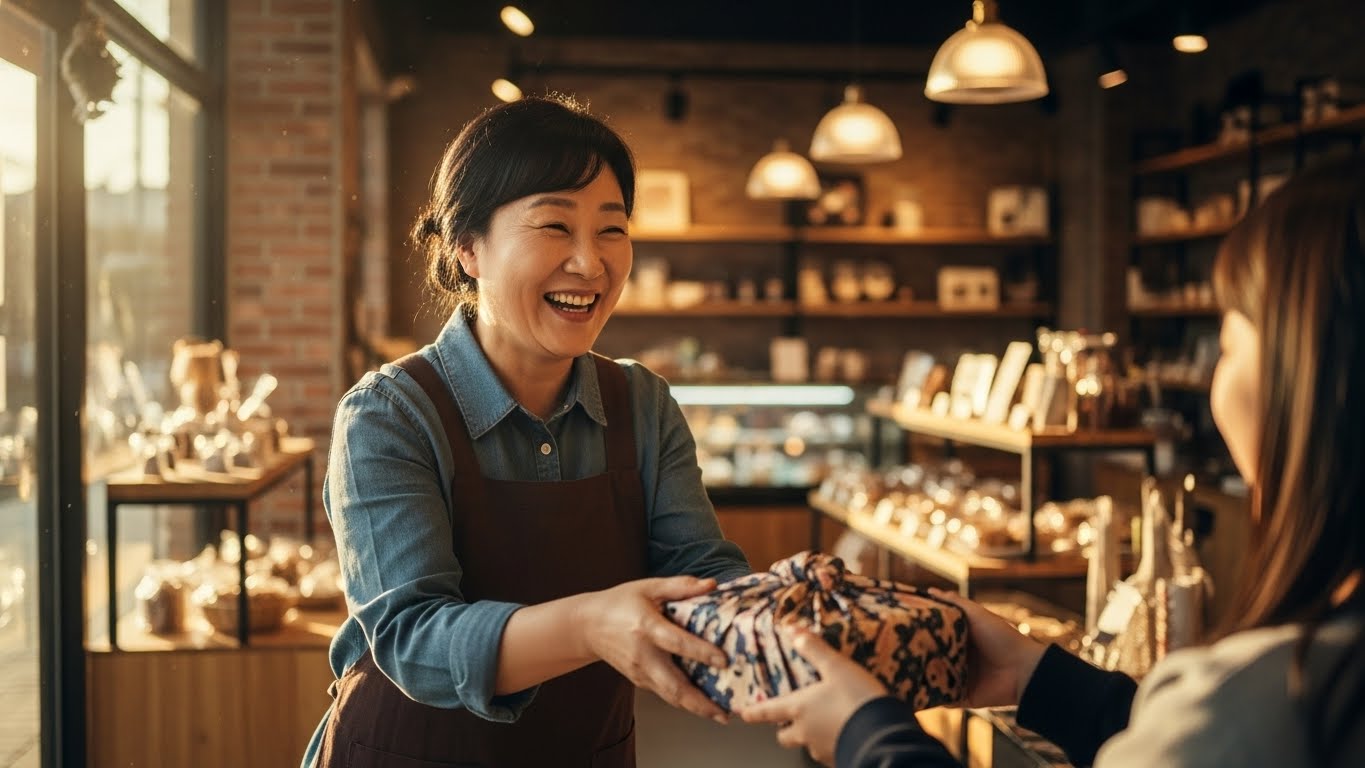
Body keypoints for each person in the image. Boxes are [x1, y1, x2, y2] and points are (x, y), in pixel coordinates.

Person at [741, 153, 1365, 767]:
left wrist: (868, 735)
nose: (1213, 383)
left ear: (1308, 381)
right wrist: (1036, 676)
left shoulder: (1259, 706)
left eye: (1227, 344)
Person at [301, 94, 750, 768]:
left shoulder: (643, 404)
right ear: (467, 248)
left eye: (611, 229)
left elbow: (700, 573)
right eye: (553, 226)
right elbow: (413, 640)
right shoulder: (389, 414)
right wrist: (591, 626)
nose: (590, 263)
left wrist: (787, 616)